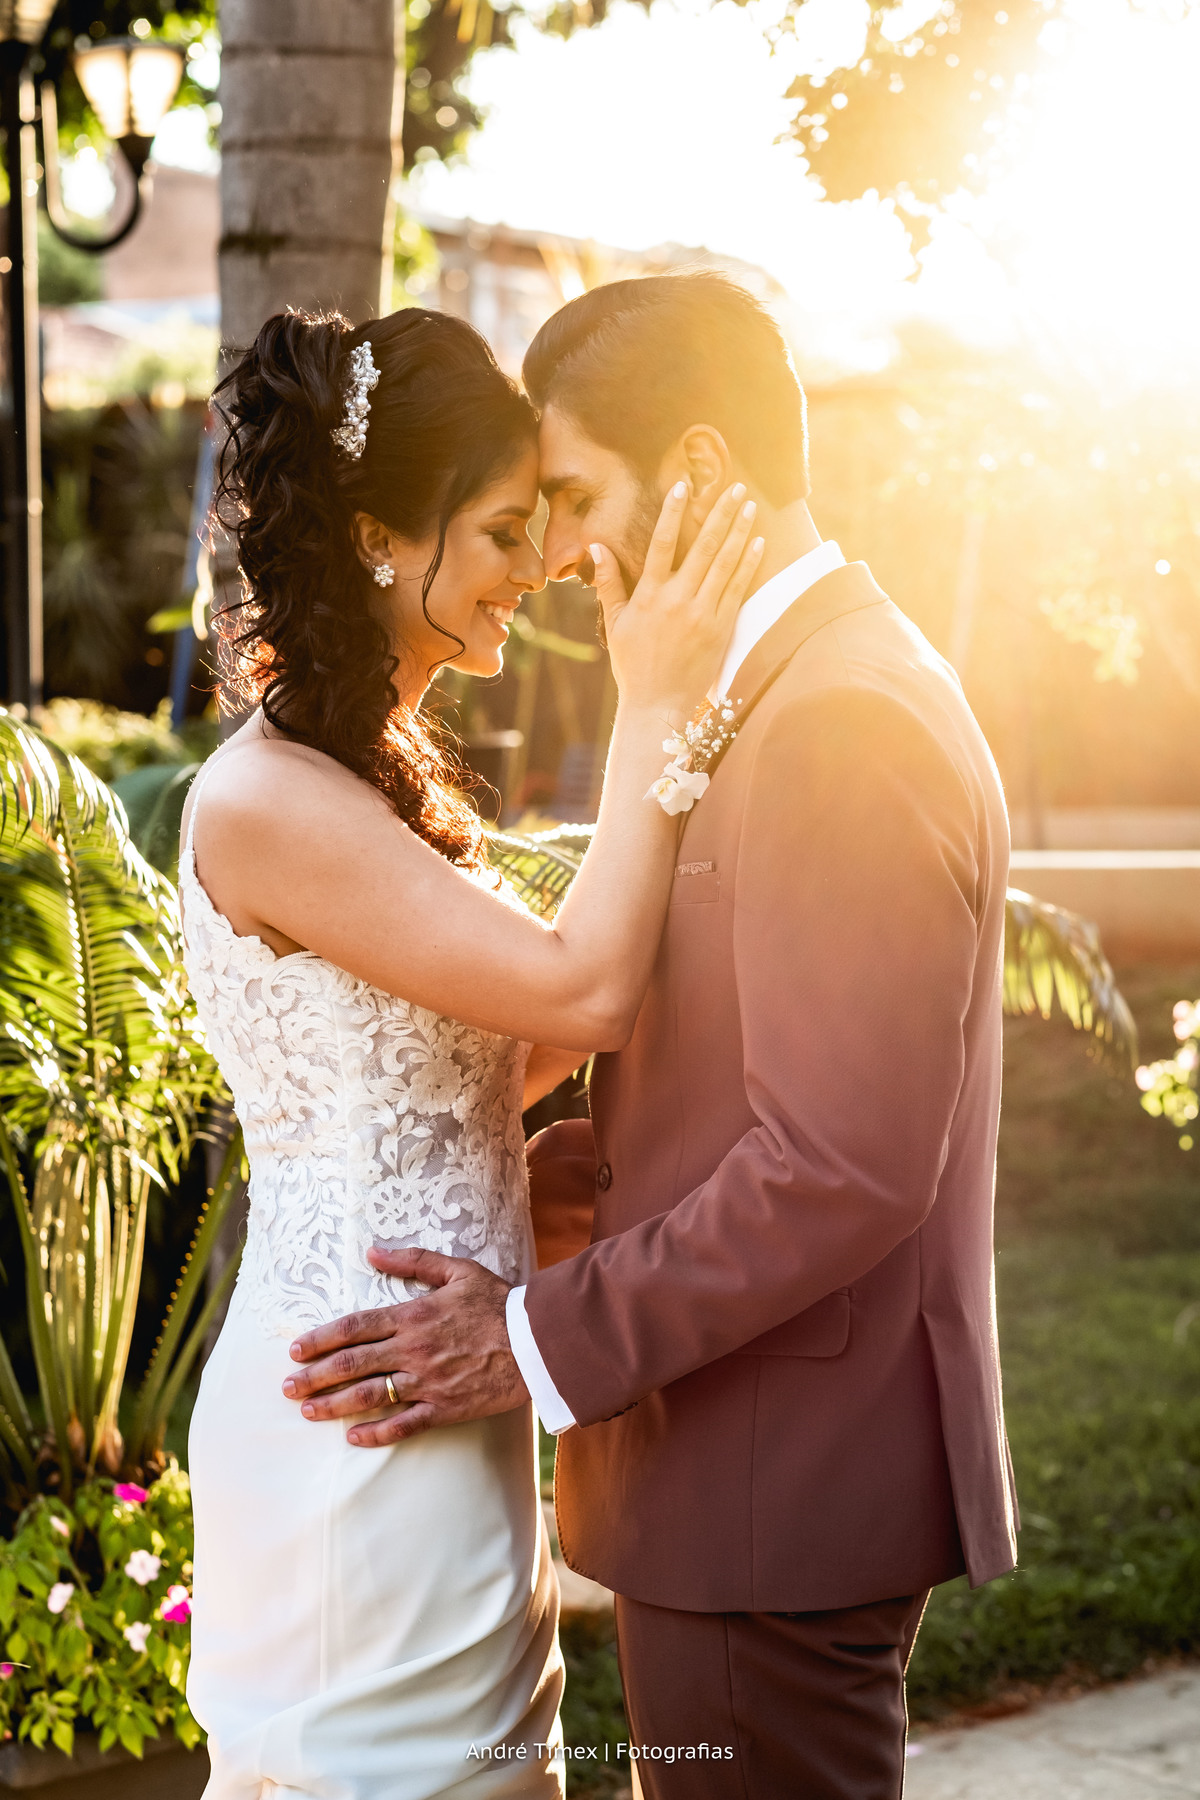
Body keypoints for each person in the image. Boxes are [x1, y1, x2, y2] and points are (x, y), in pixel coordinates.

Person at [284, 272, 1020, 1800]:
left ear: (693, 472)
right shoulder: (782, 691)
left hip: (779, 1489)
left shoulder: (840, 718)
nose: (555, 555)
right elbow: (768, 1070)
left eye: (573, 497)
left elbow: (843, 1162)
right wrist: (588, 1161)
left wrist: (533, 1338)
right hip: (740, 1473)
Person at [181, 302, 763, 1800]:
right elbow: (579, 994)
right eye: (505, 531)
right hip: (350, 1426)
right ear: (380, 534)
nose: (541, 569)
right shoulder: (267, 804)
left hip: (453, 1389)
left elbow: (463, 1073)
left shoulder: (371, 782)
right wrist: (664, 699)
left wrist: (567, 1168)